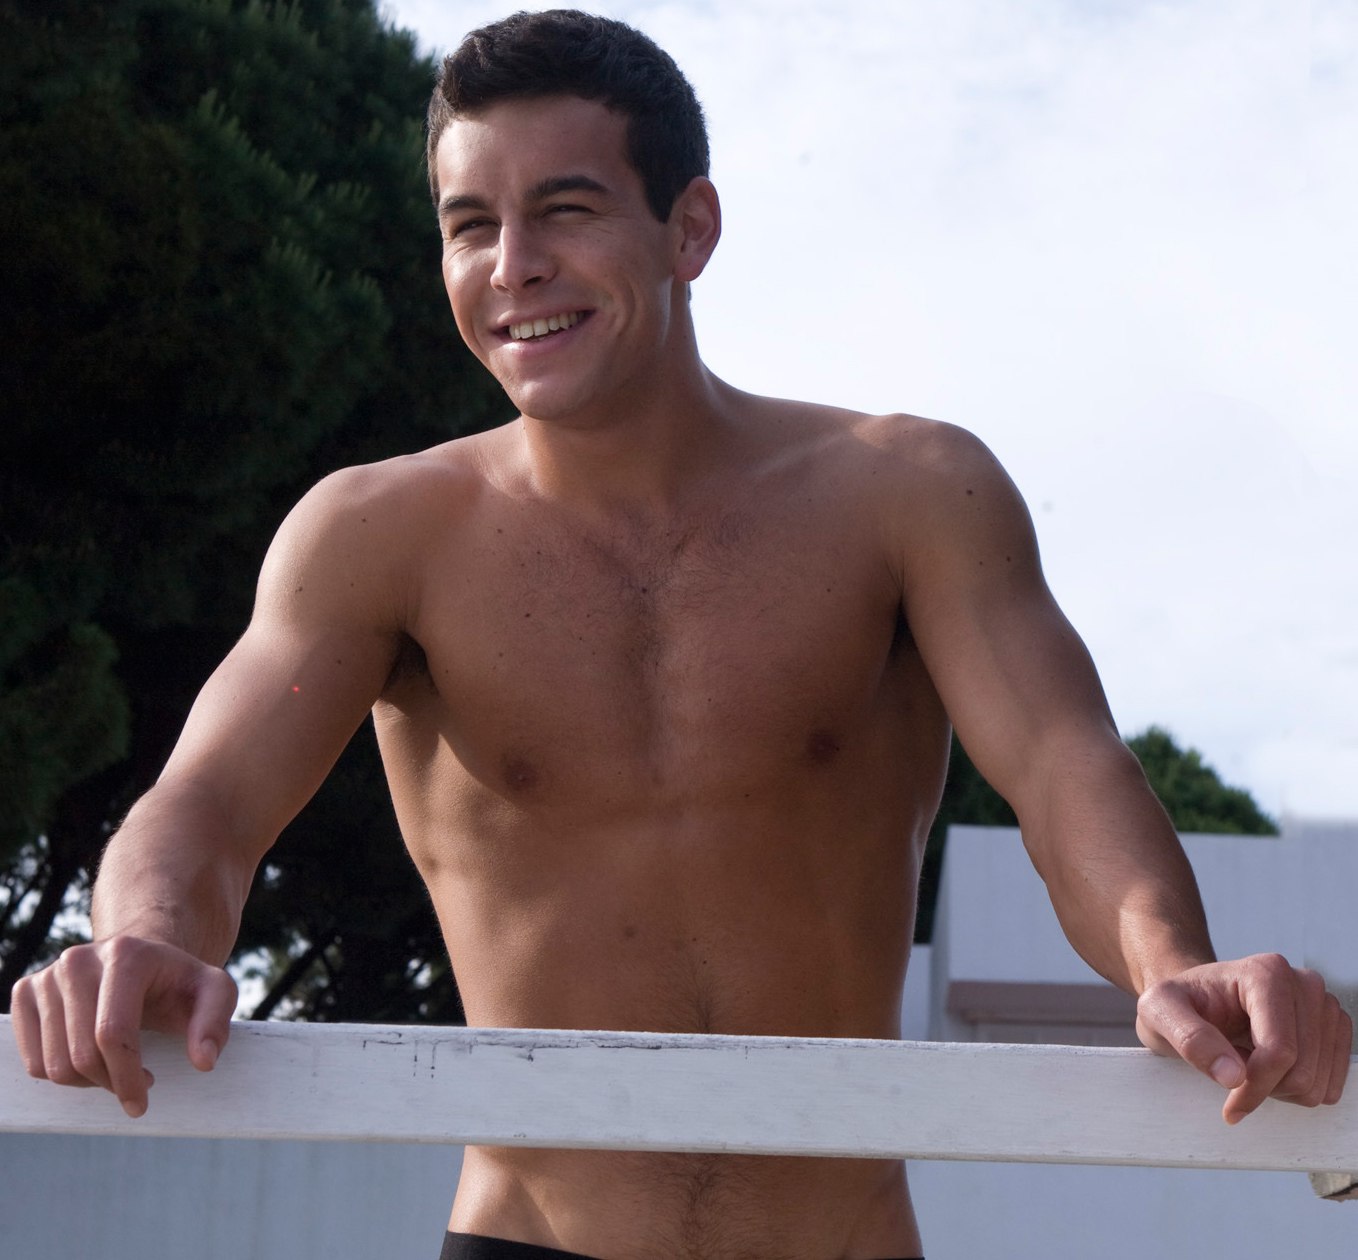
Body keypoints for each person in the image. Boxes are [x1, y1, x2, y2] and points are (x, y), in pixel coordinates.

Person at [11, 9, 1351, 1260]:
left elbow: (1062, 770)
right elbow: (205, 804)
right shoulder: (376, 536)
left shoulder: (906, 495)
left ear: (689, 228)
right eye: (469, 225)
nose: (513, 265)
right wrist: (147, 937)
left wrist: (1169, 964)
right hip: (525, 1242)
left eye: (565, 210)